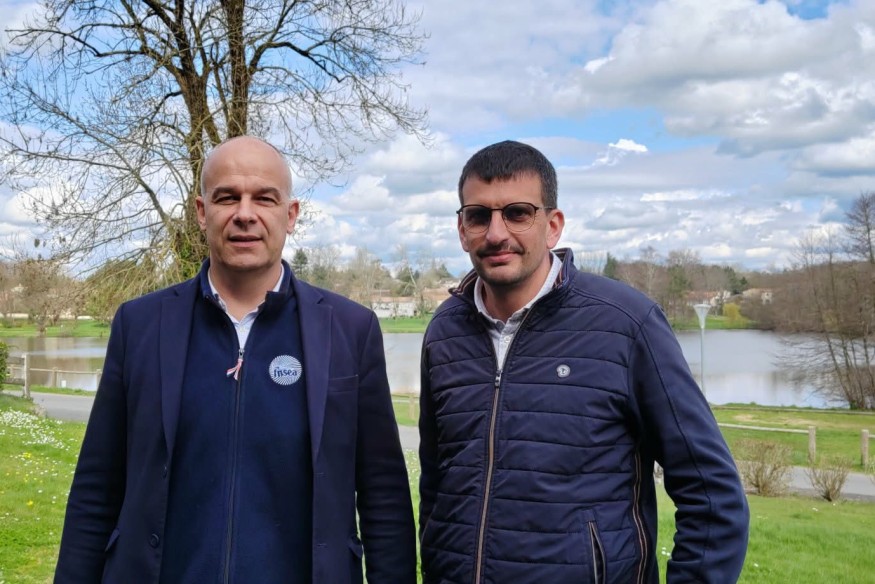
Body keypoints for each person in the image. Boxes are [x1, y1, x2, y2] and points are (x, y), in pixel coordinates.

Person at [55, 136, 416, 584]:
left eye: (264, 198)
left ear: (291, 215)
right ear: (201, 212)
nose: (245, 214)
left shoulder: (350, 329)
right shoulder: (140, 325)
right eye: (227, 197)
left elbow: (383, 496)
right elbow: (97, 487)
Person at [418, 140, 749, 583]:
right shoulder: (445, 331)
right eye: (479, 216)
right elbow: (437, 485)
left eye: (517, 213)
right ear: (462, 229)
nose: (496, 233)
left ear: (552, 225)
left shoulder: (626, 323)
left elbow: (712, 494)